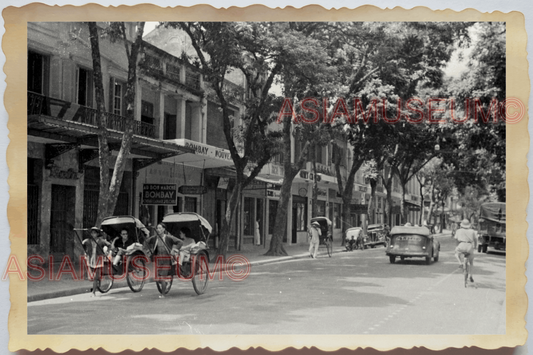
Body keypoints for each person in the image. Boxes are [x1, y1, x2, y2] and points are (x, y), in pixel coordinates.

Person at [82, 227, 112, 297]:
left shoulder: (101, 241)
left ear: (97, 234)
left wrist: (107, 252)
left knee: (95, 276)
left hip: (98, 259)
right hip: (91, 259)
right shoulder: (88, 240)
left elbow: (109, 245)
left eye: (94, 233)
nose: (93, 234)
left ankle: (93, 292)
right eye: (92, 233)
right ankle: (97, 283)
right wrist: (86, 252)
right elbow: (83, 243)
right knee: (92, 276)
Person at [454, 219, 478, 284]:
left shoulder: (458, 231)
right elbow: (475, 240)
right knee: (471, 262)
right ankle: (471, 276)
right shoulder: (473, 231)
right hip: (469, 246)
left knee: (456, 253)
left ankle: (460, 263)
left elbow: (456, 239)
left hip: (461, 245)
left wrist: (457, 246)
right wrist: (475, 247)